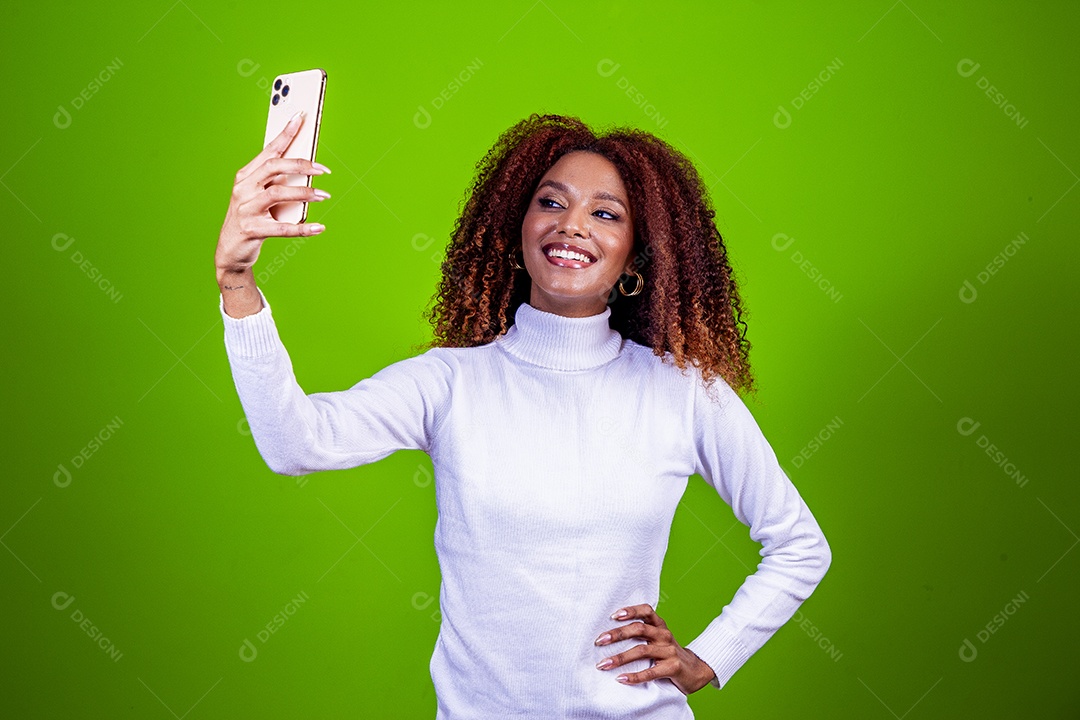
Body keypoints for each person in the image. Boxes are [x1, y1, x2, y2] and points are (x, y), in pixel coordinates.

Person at [215, 112, 831, 718]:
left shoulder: (684, 392)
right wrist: (236, 280)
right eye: (551, 203)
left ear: (638, 256)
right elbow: (295, 443)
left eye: (606, 213)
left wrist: (709, 658)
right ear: (517, 228)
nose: (573, 226)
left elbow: (800, 545)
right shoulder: (450, 382)